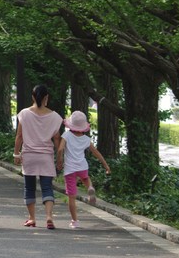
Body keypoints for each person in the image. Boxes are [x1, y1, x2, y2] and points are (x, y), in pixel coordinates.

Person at [13, 84, 63, 229]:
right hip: (46, 156)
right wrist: (59, 158)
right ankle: (49, 217)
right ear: (47, 98)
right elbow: (57, 139)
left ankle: (32, 218)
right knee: (47, 187)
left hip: (29, 155)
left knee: (29, 188)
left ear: (33, 97)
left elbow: (19, 136)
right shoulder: (55, 117)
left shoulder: (24, 114)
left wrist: (16, 154)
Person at [58, 110, 111, 229]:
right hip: (82, 166)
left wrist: (59, 161)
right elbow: (97, 153)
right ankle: (90, 188)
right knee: (86, 178)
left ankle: (74, 221)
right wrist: (106, 166)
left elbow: (60, 149)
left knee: (72, 197)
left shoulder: (66, 135)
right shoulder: (86, 139)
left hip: (70, 169)